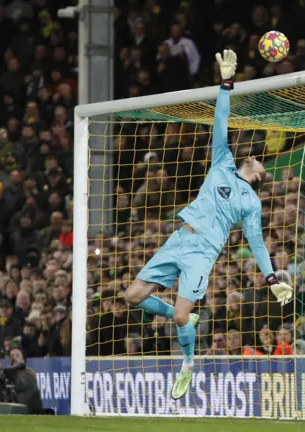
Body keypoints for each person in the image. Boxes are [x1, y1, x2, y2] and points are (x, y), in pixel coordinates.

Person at [125, 50, 293, 400]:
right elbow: (220, 120)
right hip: (178, 239)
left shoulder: (251, 202)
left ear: (259, 176)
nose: (255, 156)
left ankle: (187, 363)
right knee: (133, 296)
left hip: (203, 252)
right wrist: (226, 83)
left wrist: (272, 279)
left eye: (260, 160)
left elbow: (258, 244)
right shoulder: (223, 162)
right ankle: (185, 319)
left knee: (181, 318)